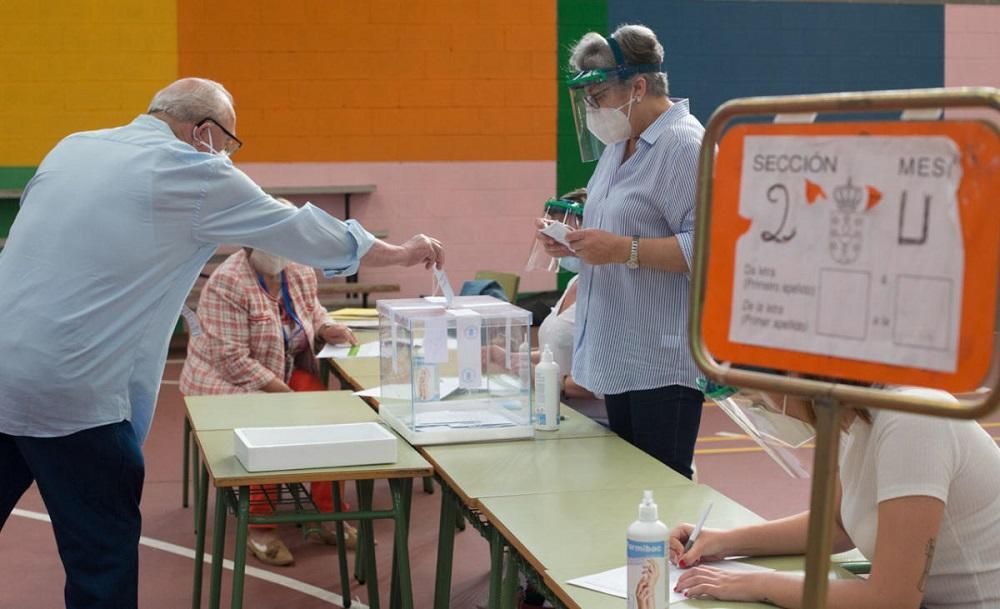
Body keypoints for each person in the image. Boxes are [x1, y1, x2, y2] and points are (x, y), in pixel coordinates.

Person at [0, 77, 443, 609]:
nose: (227, 157)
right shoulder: (195, 171)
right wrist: (398, 252)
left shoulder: (73, 147)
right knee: (101, 562)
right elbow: (298, 229)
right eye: (228, 144)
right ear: (204, 133)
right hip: (75, 396)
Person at [538, 24, 704, 478]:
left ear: (639, 85)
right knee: (624, 489)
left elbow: (707, 249)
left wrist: (623, 249)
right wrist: (570, 244)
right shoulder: (617, 147)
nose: (594, 108)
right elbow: (607, 246)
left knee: (661, 489)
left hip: (661, 361)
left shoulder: (685, 145)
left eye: (599, 95)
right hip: (619, 353)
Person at [671, 387, 1000, 608]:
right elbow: (836, 524)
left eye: (758, 400)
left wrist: (758, 585)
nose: (764, 409)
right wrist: (722, 541)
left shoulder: (912, 419)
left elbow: (892, 600)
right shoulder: (851, 416)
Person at [180, 199, 361, 565]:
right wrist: (287, 397)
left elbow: (312, 310)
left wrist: (327, 327)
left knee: (328, 414)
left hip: (278, 368)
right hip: (223, 382)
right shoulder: (227, 283)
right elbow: (232, 361)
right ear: (249, 241)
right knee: (263, 426)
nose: (282, 250)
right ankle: (260, 526)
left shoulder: (298, 270)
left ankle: (329, 513)